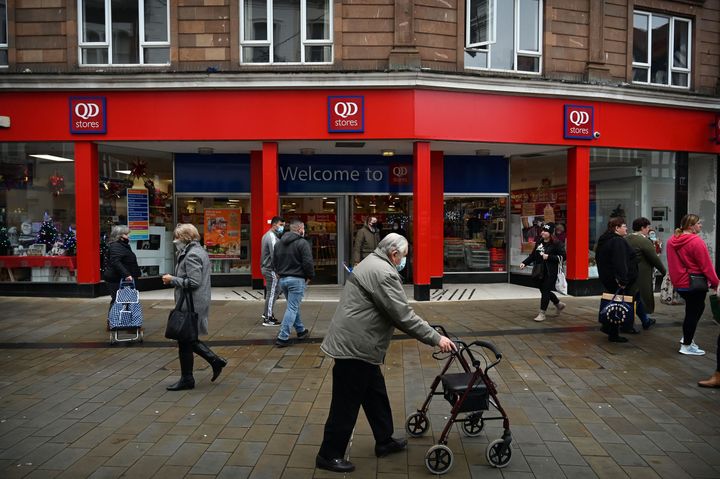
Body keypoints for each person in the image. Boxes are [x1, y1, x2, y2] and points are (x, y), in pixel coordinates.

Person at [316, 233, 456, 473]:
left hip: (360, 344)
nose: (404, 261)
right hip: (355, 348)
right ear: (394, 254)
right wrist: (436, 338)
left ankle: (384, 440)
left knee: (375, 395)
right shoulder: (384, 273)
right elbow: (402, 316)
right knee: (345, 404)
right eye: (403, 257)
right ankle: (329, 454)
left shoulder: (372, 261)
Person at [162, 224, 227, 391]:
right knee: (186, 339)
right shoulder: (196, 251)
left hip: (191, 303)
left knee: (186, 338)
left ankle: (208, 364)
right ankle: (191, 376)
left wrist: (172, 279)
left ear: (185, 237)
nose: (174, 240)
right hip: (193, 301)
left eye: (177, 237)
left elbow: (194, 282)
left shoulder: (192, 255)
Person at [666, 214, 719, 356]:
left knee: (695, 309)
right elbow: (706, 266)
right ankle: (687, 345)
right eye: (699, 223)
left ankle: (687, 337)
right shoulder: (696, 241)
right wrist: (716, 283)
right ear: (691, 226)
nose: (701, 225)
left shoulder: (672, 240)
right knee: (693, 312)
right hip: (695, 283)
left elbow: (671, 263)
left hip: (680, 283)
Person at [595, 217, 638, 343]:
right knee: (617, 305)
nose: (626, 228)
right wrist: (623, 279)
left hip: (608, 278)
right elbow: (620, 262)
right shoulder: (617, 241)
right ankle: (613, 332)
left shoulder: (605, 240)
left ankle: (609, 327)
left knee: (614, 303)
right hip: (617, 280)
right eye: (624, 226)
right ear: (616, 228)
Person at [272, 218, 314, 348]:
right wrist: (310, 276)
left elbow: (274, 261)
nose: (304, 230)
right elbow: (308, 262)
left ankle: (301, 330)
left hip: (283, 279)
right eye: (303, 228)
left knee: (292, 306)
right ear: (300, 229)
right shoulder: (302, 243)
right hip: (297, 279)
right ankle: (283, 337)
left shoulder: (279, 243)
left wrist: (278, 272)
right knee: (292, 307)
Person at [519, 222, 566, 322]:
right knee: (545, 291)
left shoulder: (557, 244)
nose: (543, 233)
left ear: (550, 233)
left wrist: (549, 257)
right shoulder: (539, 242)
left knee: (545, 291)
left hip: (551, 272)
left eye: (545, 231)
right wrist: (524, 263)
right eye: (542, 231)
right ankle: (558, 304)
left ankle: (542, 313)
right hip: (539, 271)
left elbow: (563, 257)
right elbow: (533, 255)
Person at [625, 217, 666, 330]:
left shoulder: (627, 238)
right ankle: (633, 323)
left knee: (633, 297)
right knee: (642, 297)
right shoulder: (643, 241)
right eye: (648, 227)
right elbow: (654, 259)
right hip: (642, 274)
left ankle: (645, 320)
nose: (649, 229)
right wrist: (665, 272)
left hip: (628, 273)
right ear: (642, 228)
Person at [103, 225, 141, 309]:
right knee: (117, 301)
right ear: (120, 236)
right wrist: (127, 274)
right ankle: (114, 320)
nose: (129, 236)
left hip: (121, 278)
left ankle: (121, 319)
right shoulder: (116, 246)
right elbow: (116, 262)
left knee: (122, 301)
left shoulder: (123, 245)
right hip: (116, 279)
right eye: (126, 234)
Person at [260, 216, 285, 326]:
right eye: (281, 225)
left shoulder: (268, 235)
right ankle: (268, 318)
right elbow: (275, 255)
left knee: (275, 291)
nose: (282, 227)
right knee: (272, 293)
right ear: (274, 225)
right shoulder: (271, 237)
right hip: (271, 269)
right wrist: (278, 271)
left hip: (268, 268)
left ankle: (267, 313)